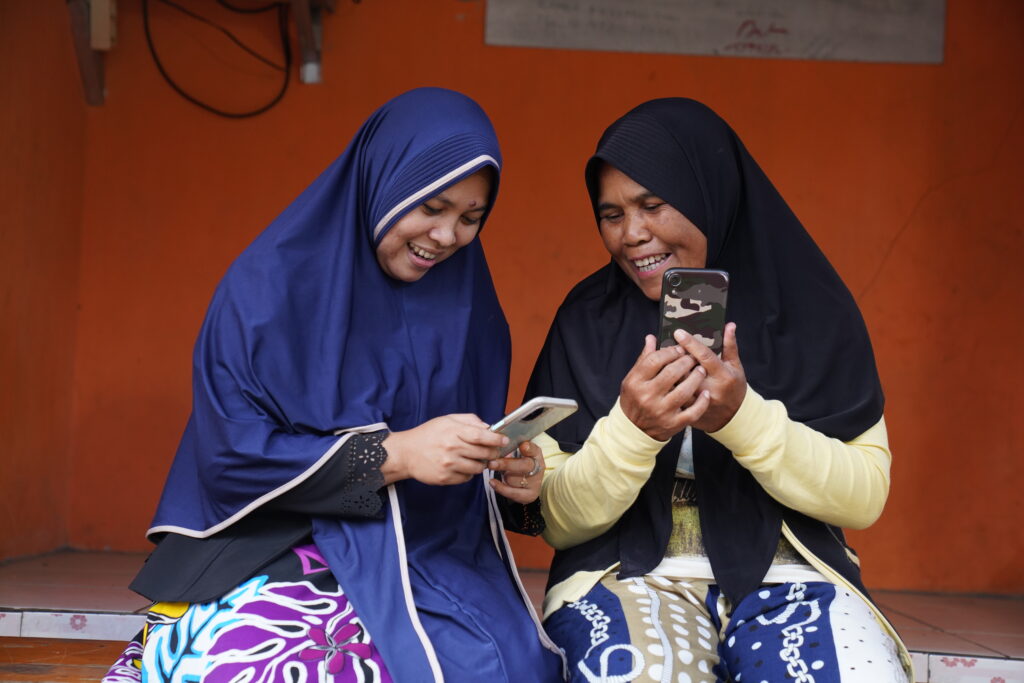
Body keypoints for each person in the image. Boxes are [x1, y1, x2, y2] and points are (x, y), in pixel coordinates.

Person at [103, 87, 565, 683]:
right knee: (306, 665)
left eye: (471, 218)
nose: (447, 236)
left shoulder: (470, 304)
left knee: (512, 666)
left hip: (424, 548)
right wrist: (394, 454)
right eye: (432, 207)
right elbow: (229, 457)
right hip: (273, 540)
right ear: (385, 182)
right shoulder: (267, 289)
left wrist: (497, 467)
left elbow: (452, 450)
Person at [525, 98, 913, 682]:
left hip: (792, 574)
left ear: (711, 191)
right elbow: (558, 522)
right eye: (611, 214)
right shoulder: (588, 321)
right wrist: (635, 430)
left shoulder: (811, 311)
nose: (632, 235)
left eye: (652, 205)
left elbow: (862, 498)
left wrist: (740, 418)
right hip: (626, 575)